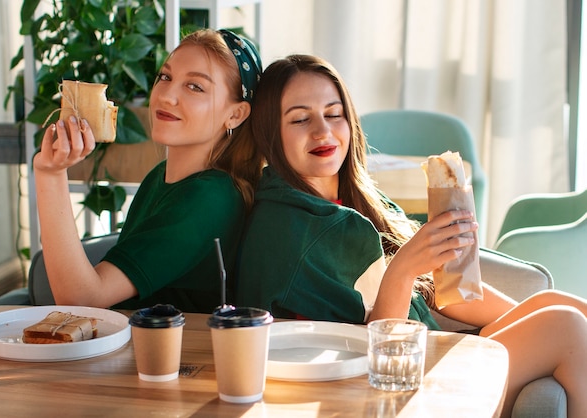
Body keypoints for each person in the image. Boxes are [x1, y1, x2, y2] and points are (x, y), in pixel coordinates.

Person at [236, 54, 587, 417]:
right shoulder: (288, 231)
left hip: (431, 355)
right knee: (566, 327)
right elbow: (365, 357)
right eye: (300, 119)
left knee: (558, 305)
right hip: (399, 384)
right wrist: (402, 272)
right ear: (268, 133)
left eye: (333, 113)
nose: (323, 131)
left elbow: (440, 292)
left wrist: (520, 317)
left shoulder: (358, 198)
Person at [33, 29, 263, 312]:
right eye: (166, 77)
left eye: (195, 87)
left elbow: (82, 299)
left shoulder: (211, 198)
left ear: (235, 114)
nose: (166, 96)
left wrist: (50, 175)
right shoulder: (161, 176)